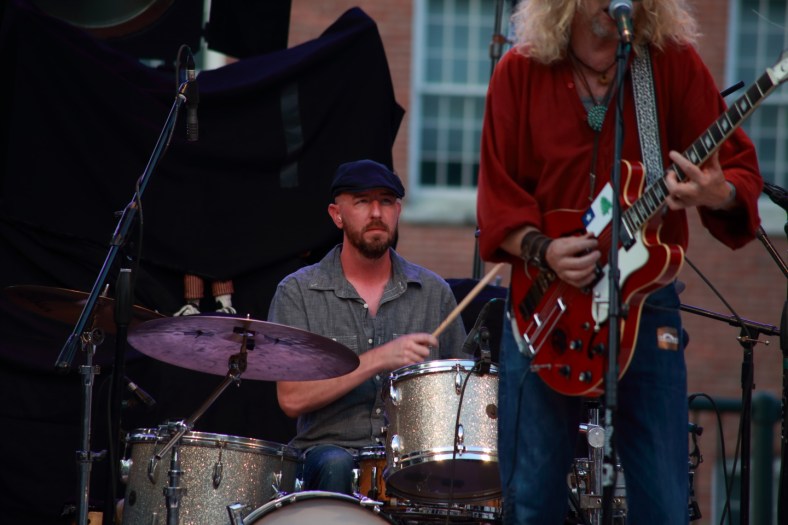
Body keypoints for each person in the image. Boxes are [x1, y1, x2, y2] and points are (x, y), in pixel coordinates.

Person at [476, 1, 762, 524]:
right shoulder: (520, 70)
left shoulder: (670, 63)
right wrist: (545, 250)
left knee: (664, 502)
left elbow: (737, 169)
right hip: (546, 308)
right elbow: (497, 200)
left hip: (645, 304)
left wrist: (718, 193)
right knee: (532, 500)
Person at [269, 159, 466, 495]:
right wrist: (378, 359)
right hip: (327, 452)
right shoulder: (298, 291)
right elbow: (291, 398)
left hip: (412, 457)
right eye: (362, 202)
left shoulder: (434, 293)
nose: (376, 213)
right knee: (335, 464)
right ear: (337, 215)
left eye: (386, 202)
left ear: (398, 211)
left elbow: (463, 392)